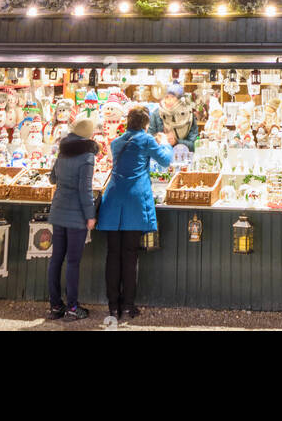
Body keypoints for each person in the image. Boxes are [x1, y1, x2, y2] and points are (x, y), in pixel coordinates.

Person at [97, 105, 173, 325]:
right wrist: (165, 143)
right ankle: (128, 306)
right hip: (133, 201)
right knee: (130, 255)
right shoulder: (146, 139)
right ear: (146, 123)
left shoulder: (116, 141)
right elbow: (165, 160)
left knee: (113, 255)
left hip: (112, 201)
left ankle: (113, 307)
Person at [47, 115, 97, 321]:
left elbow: (52, 178)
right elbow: (85, 190)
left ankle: (55, 306)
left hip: (58, 210)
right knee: (73, 262)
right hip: (76, 215)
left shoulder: (63, 152)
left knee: (56, 259)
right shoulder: (87, 157)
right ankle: (73, 308)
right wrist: (90, 215)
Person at [148, 82, 198, 150]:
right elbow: (148, 141)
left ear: (180, 99)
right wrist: (157, 139)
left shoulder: (189, 116)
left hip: (183, 156)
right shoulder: (157, 114)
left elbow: (194, 145)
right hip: (161, 155)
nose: (169, 100)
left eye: (173, 97)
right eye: (166, 97)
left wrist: (176, 142)